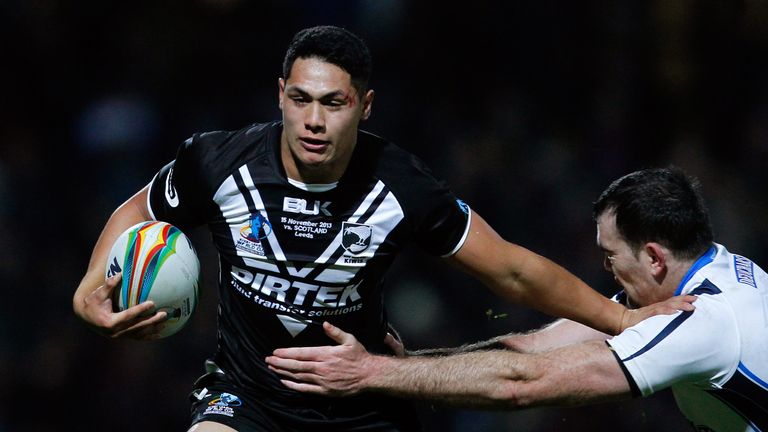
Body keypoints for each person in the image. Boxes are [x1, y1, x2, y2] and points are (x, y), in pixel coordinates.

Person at [73, 25, 691, 432]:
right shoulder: (216, 161)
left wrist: (623, 320)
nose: (314, 120)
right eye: (301, 99)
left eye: (334, 103)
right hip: (246, 397)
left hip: (361, 400)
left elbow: (510, 269)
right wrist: (89, 287)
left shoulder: (401, 184)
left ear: (364, 107)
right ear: (280, 96)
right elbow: (138, 211)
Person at [266, 167, 768, 432]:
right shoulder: (711, 276)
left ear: (655, 258)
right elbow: (530, 350)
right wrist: (406, 365)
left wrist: (370, 375)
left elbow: (524, 385)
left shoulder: (703, 321)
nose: (606, 272)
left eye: (611, 258)